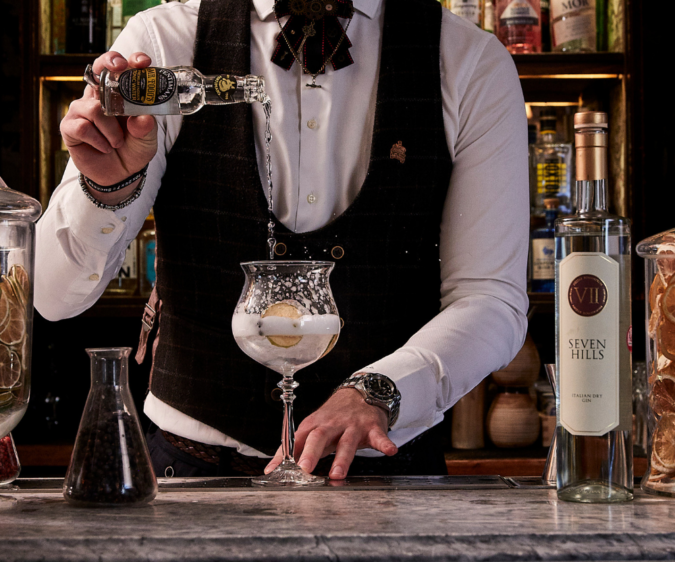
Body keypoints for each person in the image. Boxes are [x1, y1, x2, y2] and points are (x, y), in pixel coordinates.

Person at [36, 0, 529, 479]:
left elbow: (491, 299)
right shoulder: (164, 43)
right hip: (190, 476)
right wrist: (106, 189)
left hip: (391, 480)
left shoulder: (470, 61)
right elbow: (54, 298)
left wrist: (384, 389)